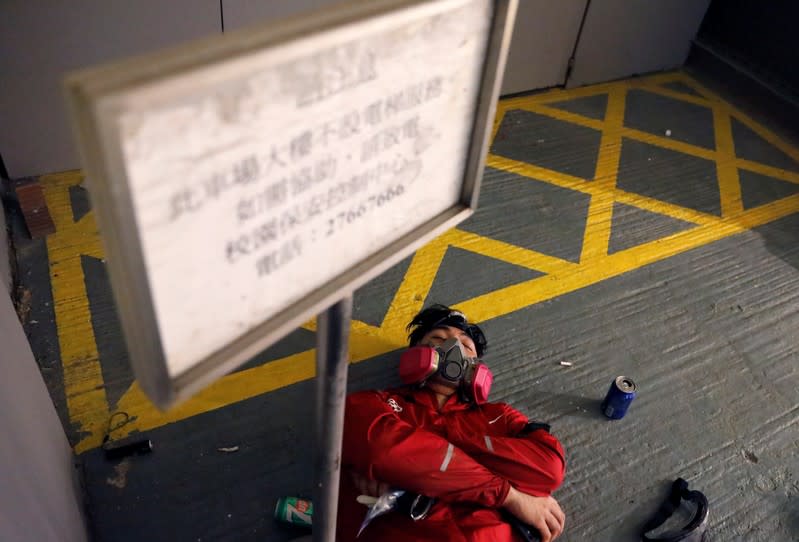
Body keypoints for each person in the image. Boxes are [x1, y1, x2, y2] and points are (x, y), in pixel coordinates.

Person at [336, 304, 566, 542]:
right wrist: (510, 496)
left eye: (466, 345)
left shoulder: (500, 415)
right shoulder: (375, 403)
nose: (454, 348)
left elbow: (549, 468)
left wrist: (418, 458)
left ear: (476, 367)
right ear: (416, 354)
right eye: (438, 338)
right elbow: (381, 449)